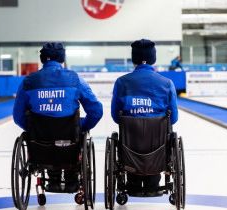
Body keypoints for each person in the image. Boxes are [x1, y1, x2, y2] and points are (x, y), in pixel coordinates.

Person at [13, 42, 103, 192]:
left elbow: (18, 116)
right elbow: (96, 111)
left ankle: (53, 178)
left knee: (45, 136)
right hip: (70, 141)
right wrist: (81, 126)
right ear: (62, 59)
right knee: (70, 137)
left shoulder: (28, 82)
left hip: (40, 144)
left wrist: (34, 130)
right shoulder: (75, 79)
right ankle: (71, 178)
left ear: (42, 59)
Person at [111, 39, 178, 196]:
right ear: (153, 58)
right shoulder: (166, 83)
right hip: (158, 149)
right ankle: (153, 183)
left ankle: (132, 183)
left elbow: (116, 117)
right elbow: (173, 118)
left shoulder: (122, 82)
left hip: (129, 148)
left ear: (134, 59)